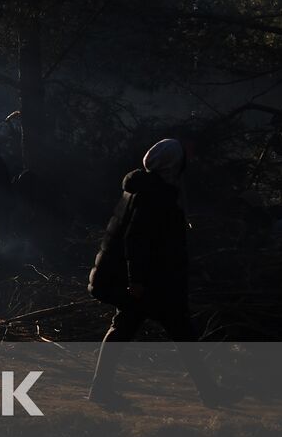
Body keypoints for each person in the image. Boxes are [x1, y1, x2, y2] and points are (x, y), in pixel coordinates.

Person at [87, 139, 222, 407]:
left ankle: (100, 391)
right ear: (174, 164)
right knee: (179, 332)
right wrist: (136, 281)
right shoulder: (155, 194)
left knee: (127, 329)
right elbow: (137, 240)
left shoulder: (143, 188)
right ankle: (210, 394)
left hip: (150, 279)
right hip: (150, 282)